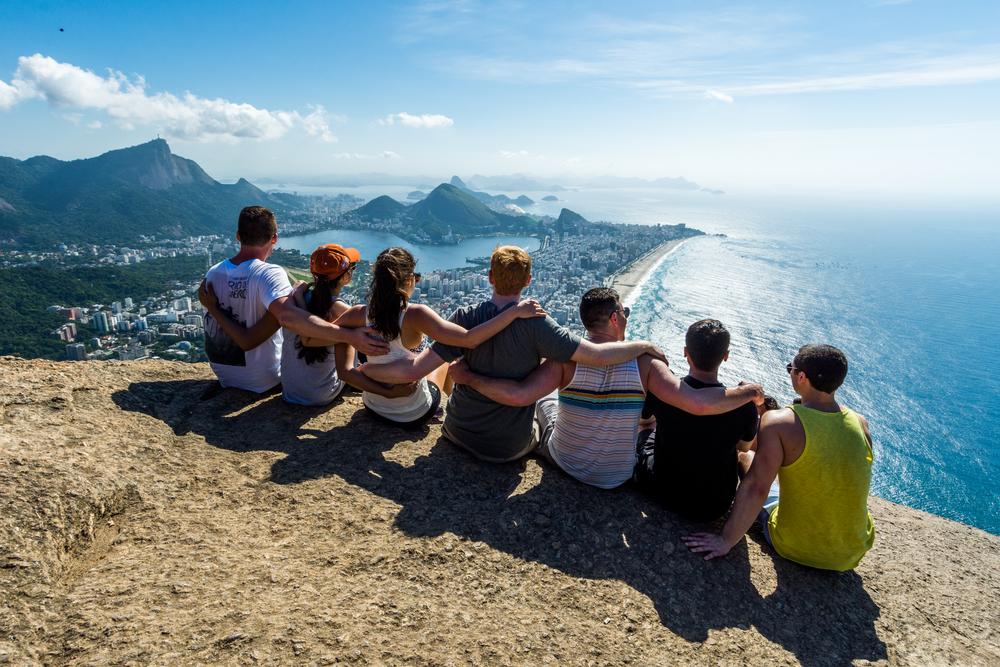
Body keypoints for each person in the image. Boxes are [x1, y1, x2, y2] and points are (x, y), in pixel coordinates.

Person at [362, 246, 720, 463]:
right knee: (548, 398)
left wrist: (366, 371)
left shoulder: (464, 319)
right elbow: (596, 355)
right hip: (508, 450)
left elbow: (414, 370)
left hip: (456, 432)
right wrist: (642, 345)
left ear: (488, 277)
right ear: (529, 280)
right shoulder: (538, 324)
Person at [449, 292, 763, 488]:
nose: (626, 316)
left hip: (565, 463)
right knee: (648, 422)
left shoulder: (564, 358)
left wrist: (470, 378)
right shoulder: (647, 364)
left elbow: (519, 395)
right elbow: (696, 402)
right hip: (617, 478)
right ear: (614, 318)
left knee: (543, 401)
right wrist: (748, 392)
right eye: (624, 312)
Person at [302, 247, 546, 429]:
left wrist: (299, 300)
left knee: (425, 362)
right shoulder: (415, 314)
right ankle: (447, 409)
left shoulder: (357, 314)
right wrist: (513, 312)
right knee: (448, 362)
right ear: (408, 279)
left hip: (373, 406)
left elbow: (316, 345)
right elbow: (470, 339)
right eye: (415, 277)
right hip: (411, 413)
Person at [683, 344, 875, 571]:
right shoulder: (860, 422)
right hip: (853, 551)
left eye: (790, 368)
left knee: (747, 457)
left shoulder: (780, 422)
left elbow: (757, 488)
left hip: (794, 546)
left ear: (801, 376)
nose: (790, 372)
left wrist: (725, 540)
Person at [200, 206, 387, 393]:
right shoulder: (268, 274)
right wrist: (348, 335)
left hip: (223, 374)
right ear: (274, 238)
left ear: (238, 236)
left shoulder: (213, 273)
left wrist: (214, 310)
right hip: (264, 379)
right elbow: (287, 318)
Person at [633, 319, 760, 522]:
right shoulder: (745, 407)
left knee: (647, 429)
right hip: (711, 507)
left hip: (657, 489)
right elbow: (743, 447)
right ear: (725, 356)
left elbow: (644, 419)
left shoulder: (663, 390)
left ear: (686, 352)